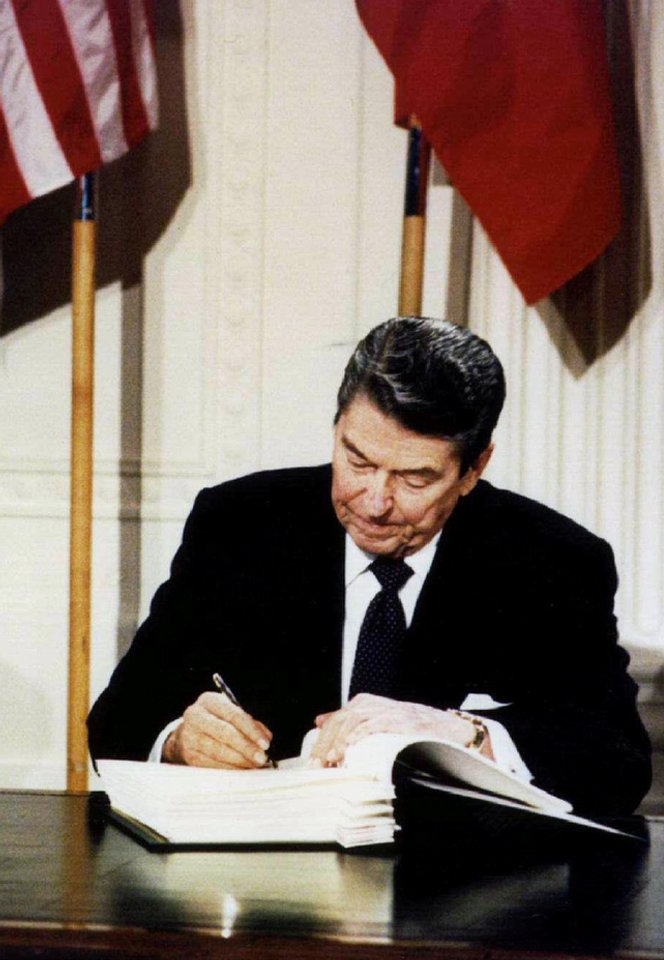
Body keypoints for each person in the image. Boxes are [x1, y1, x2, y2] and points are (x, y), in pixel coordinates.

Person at [88, 317, 651, 815]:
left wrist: (464, 733)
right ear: (337, 427)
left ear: (473, 469)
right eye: (357, 460)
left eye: (414, 478)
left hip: (456, 883)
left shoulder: (552, 560)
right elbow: (116, 723)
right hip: (268, 880)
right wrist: (179, 741)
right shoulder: (241, 524)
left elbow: (619, 764)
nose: (374, 502)